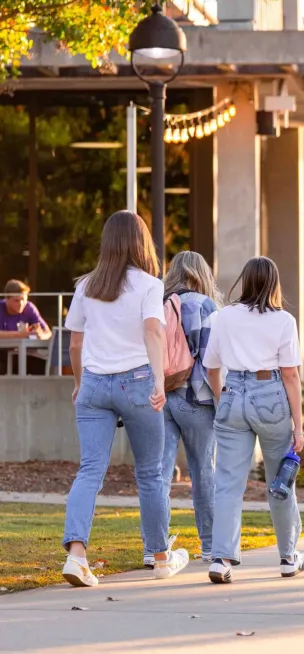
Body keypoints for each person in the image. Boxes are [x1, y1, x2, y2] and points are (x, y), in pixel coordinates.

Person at [61, 210, 189, 587]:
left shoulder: (86, 285)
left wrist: (79, 382)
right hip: (136, 383)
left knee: (89, 472)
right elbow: (153, 331)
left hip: (95, 386)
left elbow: (75, 343)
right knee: (150, 474)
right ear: (141, 242)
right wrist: (157, 379)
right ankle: (161, 557)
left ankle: (77, 557)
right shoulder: (150, 284)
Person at [203, 256, 304, 584]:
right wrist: (299, 424)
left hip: (233, 390)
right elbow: (291, 375)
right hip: (271, 394)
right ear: (274, 284)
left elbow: (210, 367)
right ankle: (288, 557)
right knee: (280, 482)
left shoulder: (224, 317)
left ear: (245, 281)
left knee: (227, 483)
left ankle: (220, 559)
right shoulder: (283, 321)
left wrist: (225, 399)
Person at [140, 251, 221, 568]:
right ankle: (211, 546)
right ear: (202, 273)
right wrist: (221, 402)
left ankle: (153, 549)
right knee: (203, 473)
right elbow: (213, 360)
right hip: (196, 399)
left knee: (158, 475)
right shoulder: (204, 305)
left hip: (160, 397)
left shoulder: (157, 304)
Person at [1, 279, 52, 375]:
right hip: (2, 353)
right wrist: (19, 335)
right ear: (6, 299)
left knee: (41, 364)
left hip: (24, 353)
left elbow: (48, 332)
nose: (21, 303)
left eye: (23, 299)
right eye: (16, 300)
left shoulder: (29, 308)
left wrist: (40, 335)